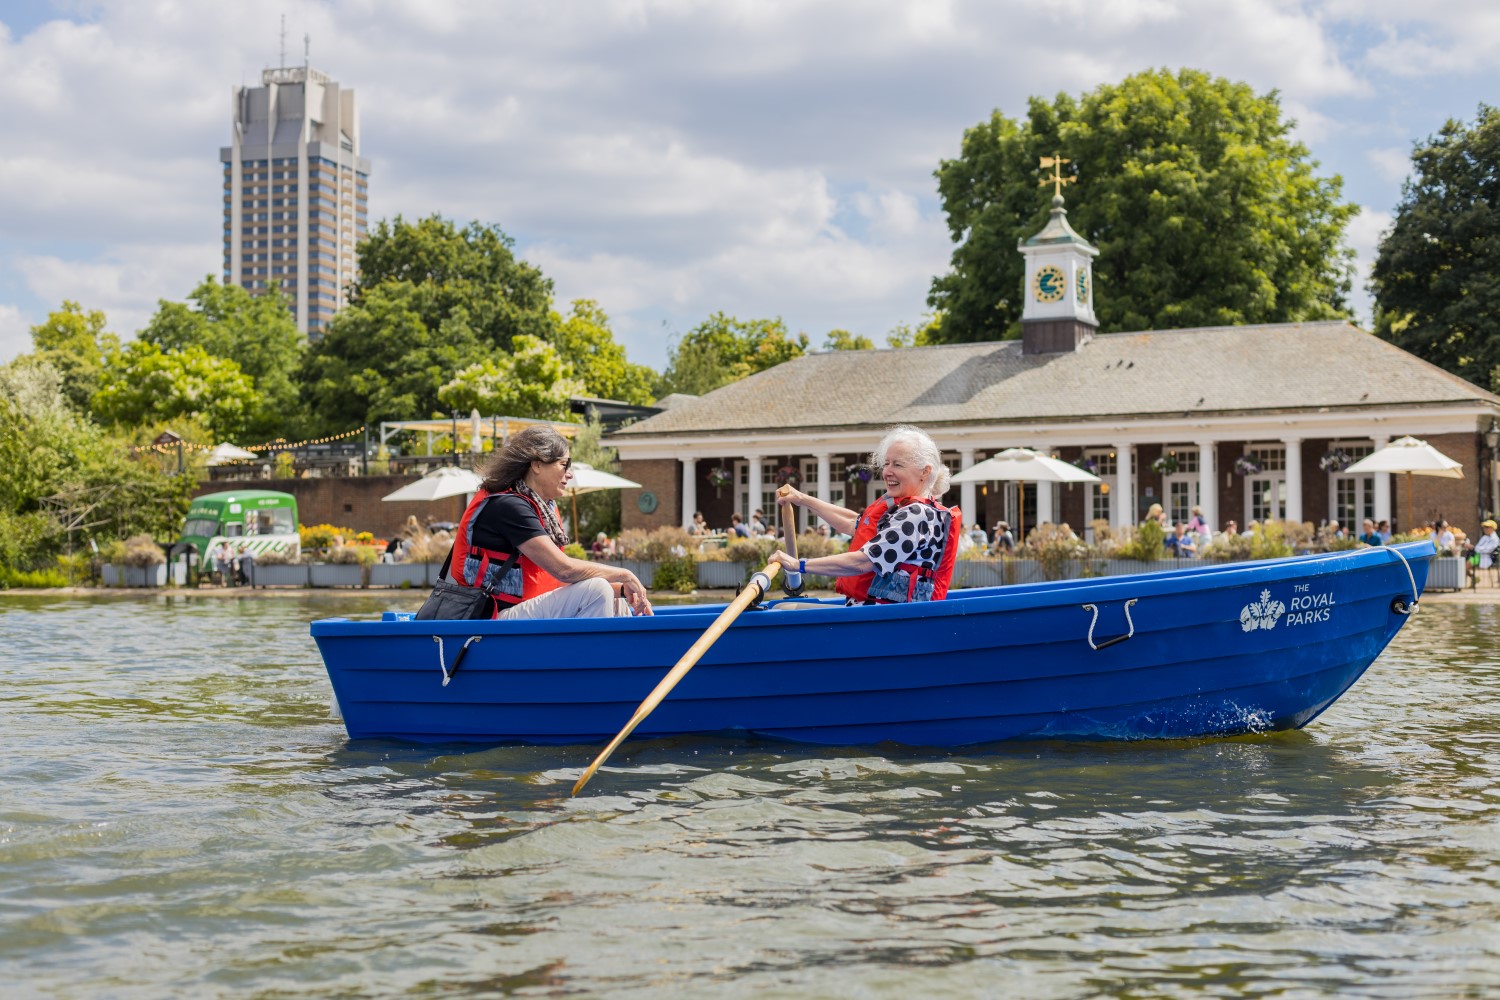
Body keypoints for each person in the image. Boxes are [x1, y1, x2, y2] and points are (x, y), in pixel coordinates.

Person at [445, 426, 652, 619]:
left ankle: (618, 657)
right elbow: (564, 570)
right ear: (536, 465)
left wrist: (622, 589)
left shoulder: (540, 508)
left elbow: (556, 580)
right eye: (564, 465)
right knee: (597, 590)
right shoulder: (509, 507)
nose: (569, 473)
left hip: (521, 612)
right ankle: (591, 658)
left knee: (616, 599)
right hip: (491, 619)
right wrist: (624, 574)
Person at [768, 425, 962, 604]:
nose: (887, 472)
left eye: (898, 465)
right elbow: (853, 522)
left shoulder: (916, 514)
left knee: (785, 609)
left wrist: (797, 565)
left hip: (887, 621)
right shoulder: (907, 509)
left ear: (925, 472)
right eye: (886, 464)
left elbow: (863, 562)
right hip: (877, 617)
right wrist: (802, 499)